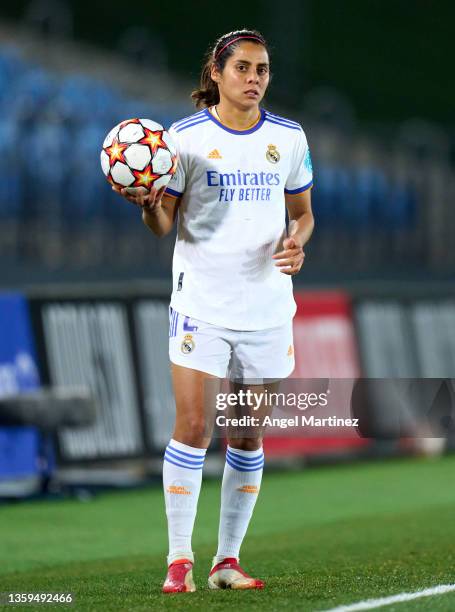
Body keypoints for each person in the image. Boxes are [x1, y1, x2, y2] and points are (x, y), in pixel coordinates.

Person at [115, 29, 314, 593]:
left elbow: (303, 214)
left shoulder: (290, 138)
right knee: (195, 427)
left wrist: (298, 240)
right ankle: (179, 560)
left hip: (268, 306)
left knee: (247, 436)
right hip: (202, 302)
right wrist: (148, 208)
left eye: (263, 70)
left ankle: (227, 561)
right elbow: (164, 225)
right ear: (217, 74)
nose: (255, 79)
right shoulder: (184, 139)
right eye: (244, 68)